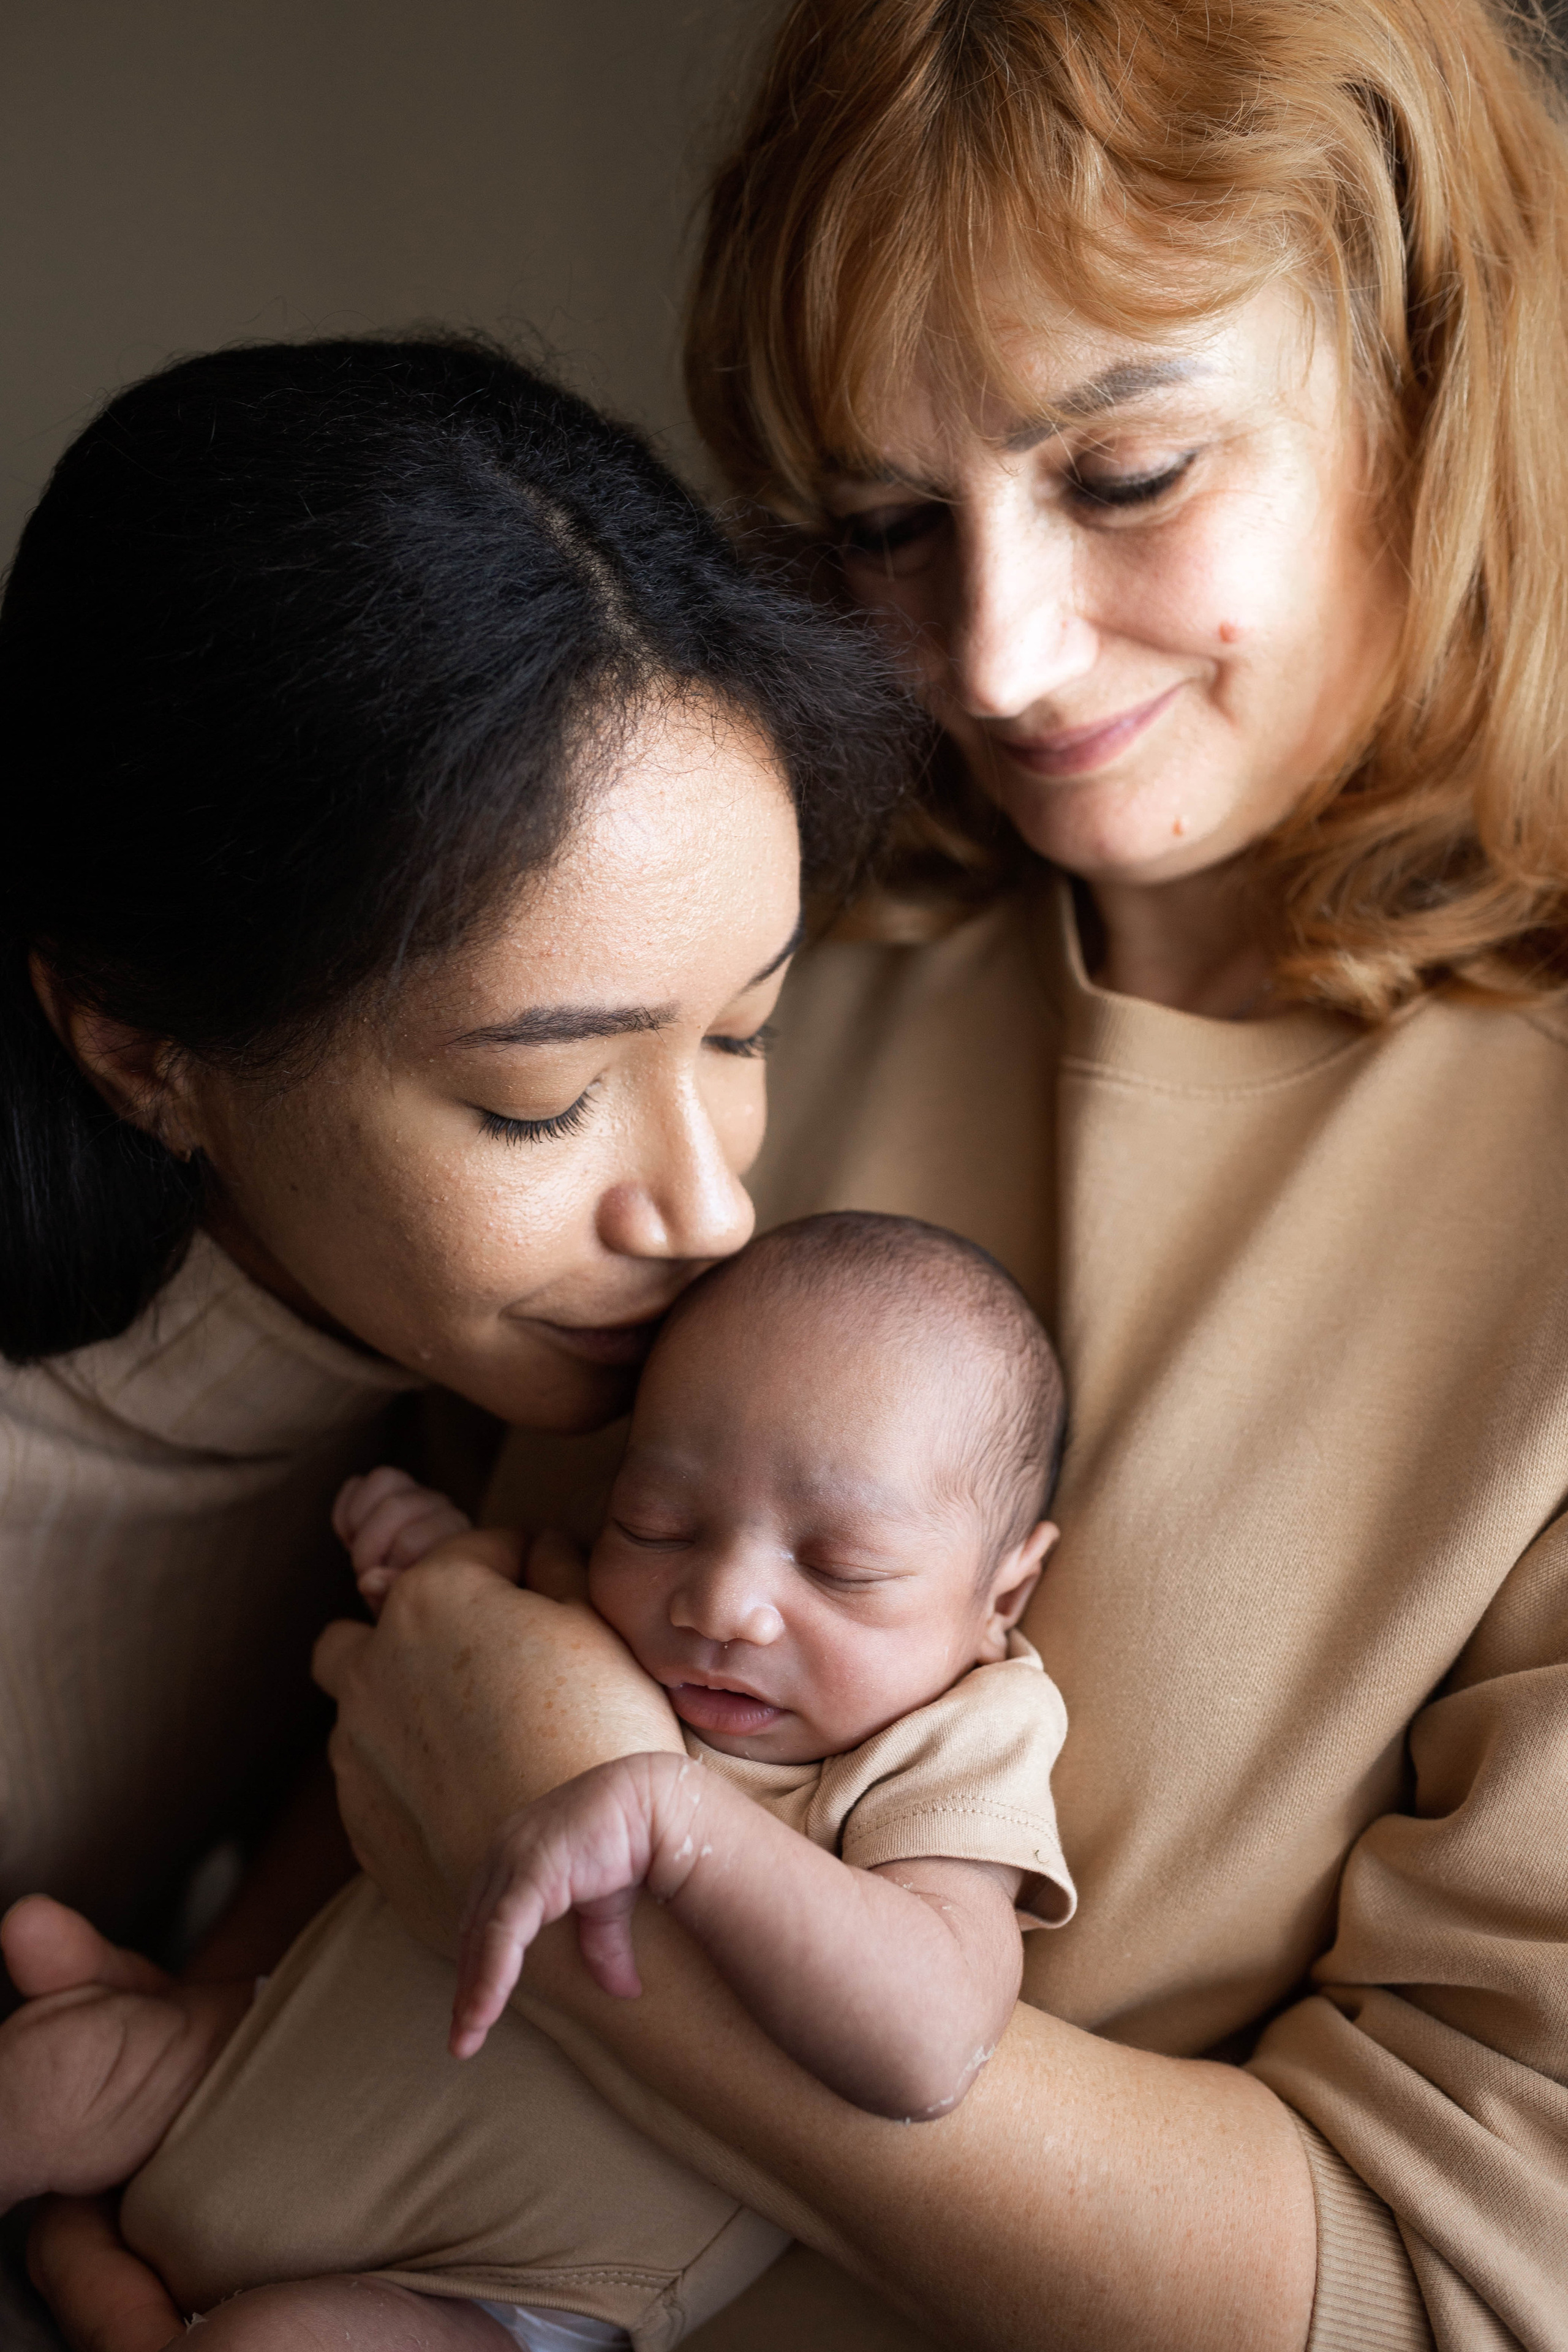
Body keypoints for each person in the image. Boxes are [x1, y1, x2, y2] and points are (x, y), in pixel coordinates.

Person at [79, 2, 1559, 2348]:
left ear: (1432, 367)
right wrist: (168, 2168)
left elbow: (1457, 2282)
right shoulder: (745, 963)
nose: (998, 652)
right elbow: (368, 1696)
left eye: (1132, 471)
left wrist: (553, 1839)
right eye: (884, 522)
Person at [0, 331, 905, 2349]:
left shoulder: (557, 1422)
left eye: (743, 1032)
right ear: (148, 1055)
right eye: (537, 1105)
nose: (707, 1211)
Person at [5, 1212, 1075, 2350]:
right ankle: (104, 2268)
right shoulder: (597, 1604)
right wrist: (428, 1566)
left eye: (840, 1567)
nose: (719, 1605)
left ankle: (114, 2290)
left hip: (478, 2286)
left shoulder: (960, 1732)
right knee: (56, 2068)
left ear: (1002, 1594)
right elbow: (459, 1654)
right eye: (656, 1522)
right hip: (251, 2056)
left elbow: (931, 2037)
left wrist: (683, 1820)